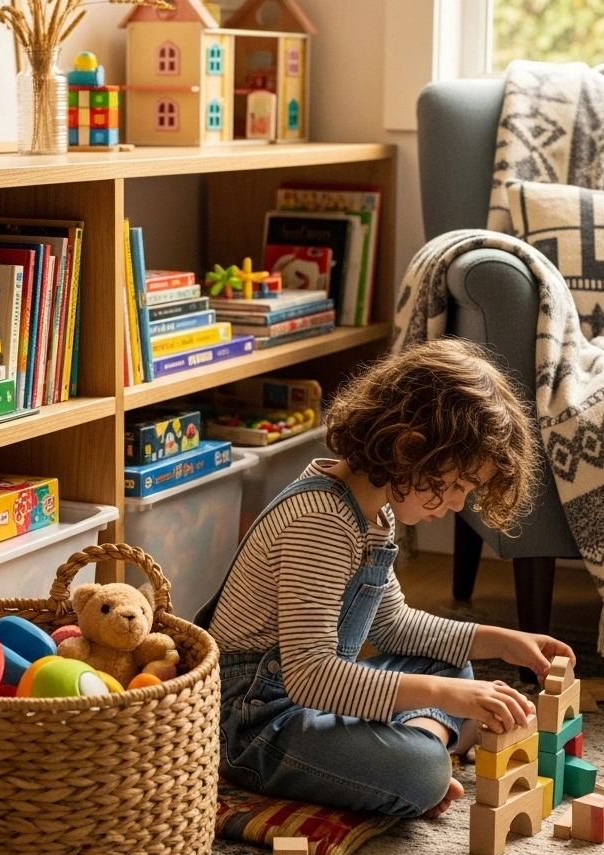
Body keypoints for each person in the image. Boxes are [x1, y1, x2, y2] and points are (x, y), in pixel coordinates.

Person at [196, 340, 575, 820]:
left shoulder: (371, 511)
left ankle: (415, 745)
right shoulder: (321, 521)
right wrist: (446, 700)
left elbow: (393, 625)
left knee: (450, 668)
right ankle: (423, 752)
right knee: (423, 769)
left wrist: (502, 641)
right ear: (410, 447)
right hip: (253, 725)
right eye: (457, 484)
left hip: (303, 700)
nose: (458, 503)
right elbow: (311, 677)